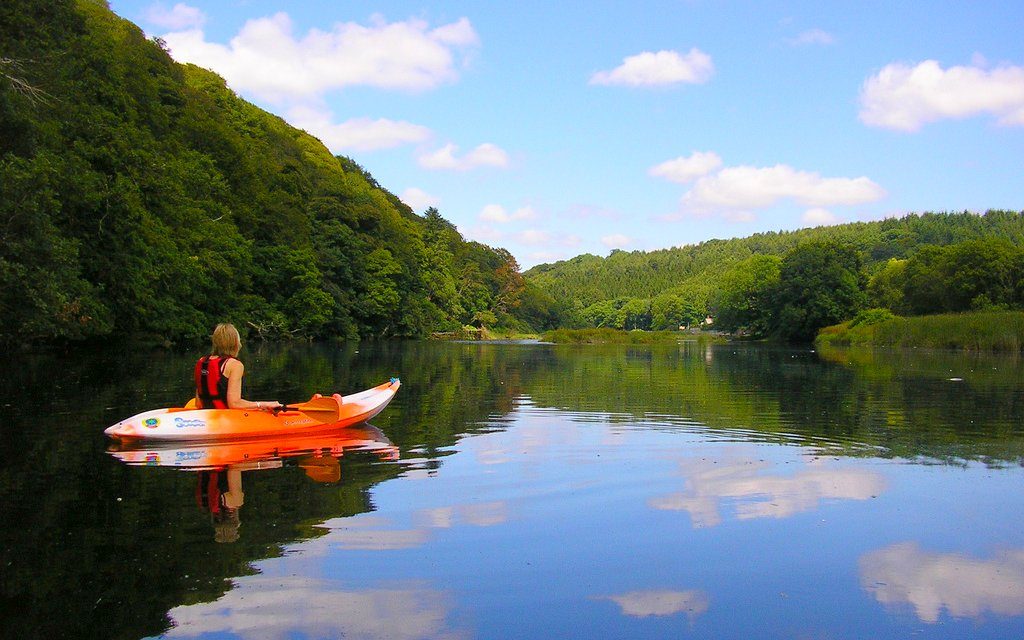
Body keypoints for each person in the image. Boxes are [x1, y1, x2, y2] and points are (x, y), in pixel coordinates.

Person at [194, 323, 282, 411]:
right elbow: (234, 404)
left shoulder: (202, 361)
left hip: (206, 416)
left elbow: (198, 403)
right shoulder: (234, 365)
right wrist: (264, 404)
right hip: (226, 418)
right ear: (235, 342)